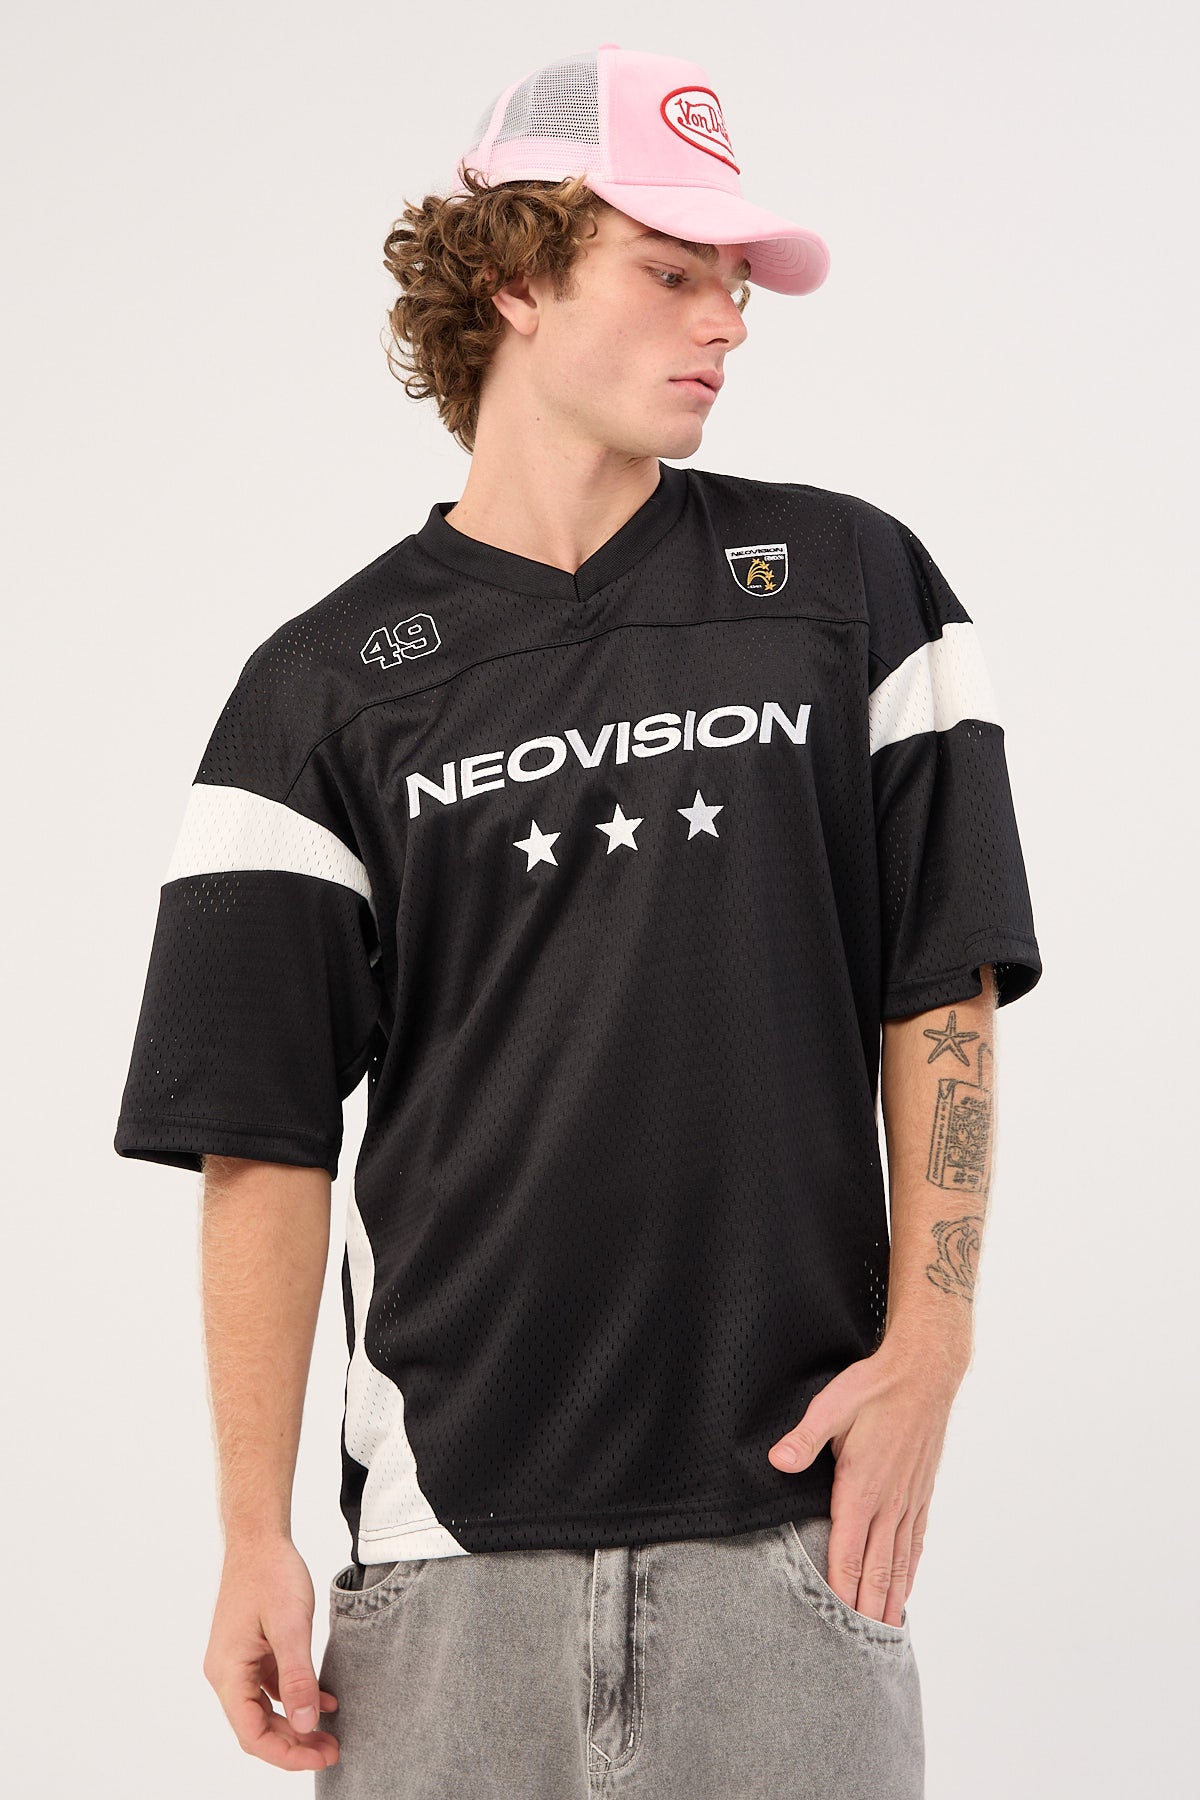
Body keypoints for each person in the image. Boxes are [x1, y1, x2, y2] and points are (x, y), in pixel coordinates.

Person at [114, 42, 1042, 1799]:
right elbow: (259, 1139)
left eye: (736, 281)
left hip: (792, 1537)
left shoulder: (849, 589)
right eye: (672, 272)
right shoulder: (319, 692)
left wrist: (933, 1349)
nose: (730, 322)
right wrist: (251, 1532)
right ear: (514, 280)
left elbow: (946, 985)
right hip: (443, 1570)